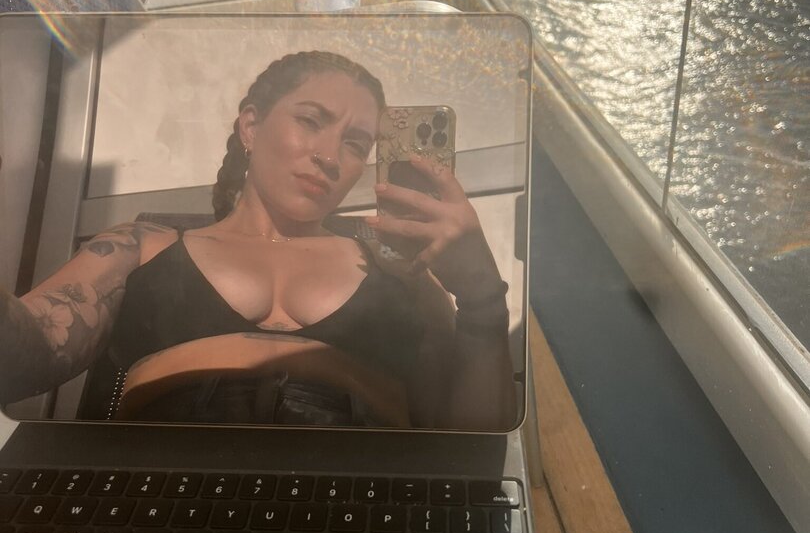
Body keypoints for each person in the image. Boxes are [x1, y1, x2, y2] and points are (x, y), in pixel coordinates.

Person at [0, 50, 516, 429]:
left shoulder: (397, 267)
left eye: (356, 144)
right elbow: (30, 349)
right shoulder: (143, 247)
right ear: (251, 126)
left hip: (351, 515)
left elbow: (470, 442)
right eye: (310, 121)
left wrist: (482, 298)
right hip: (163, 509)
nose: (330, 157)